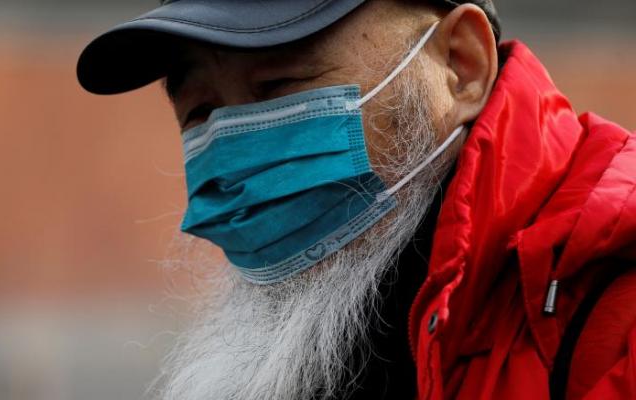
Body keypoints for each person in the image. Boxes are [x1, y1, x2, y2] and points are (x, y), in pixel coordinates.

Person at [77, 1, 636, 399]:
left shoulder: (609, 305)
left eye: (280, 87)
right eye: (199, 111)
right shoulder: (279, 346)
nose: (240, 147)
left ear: (461, 67)